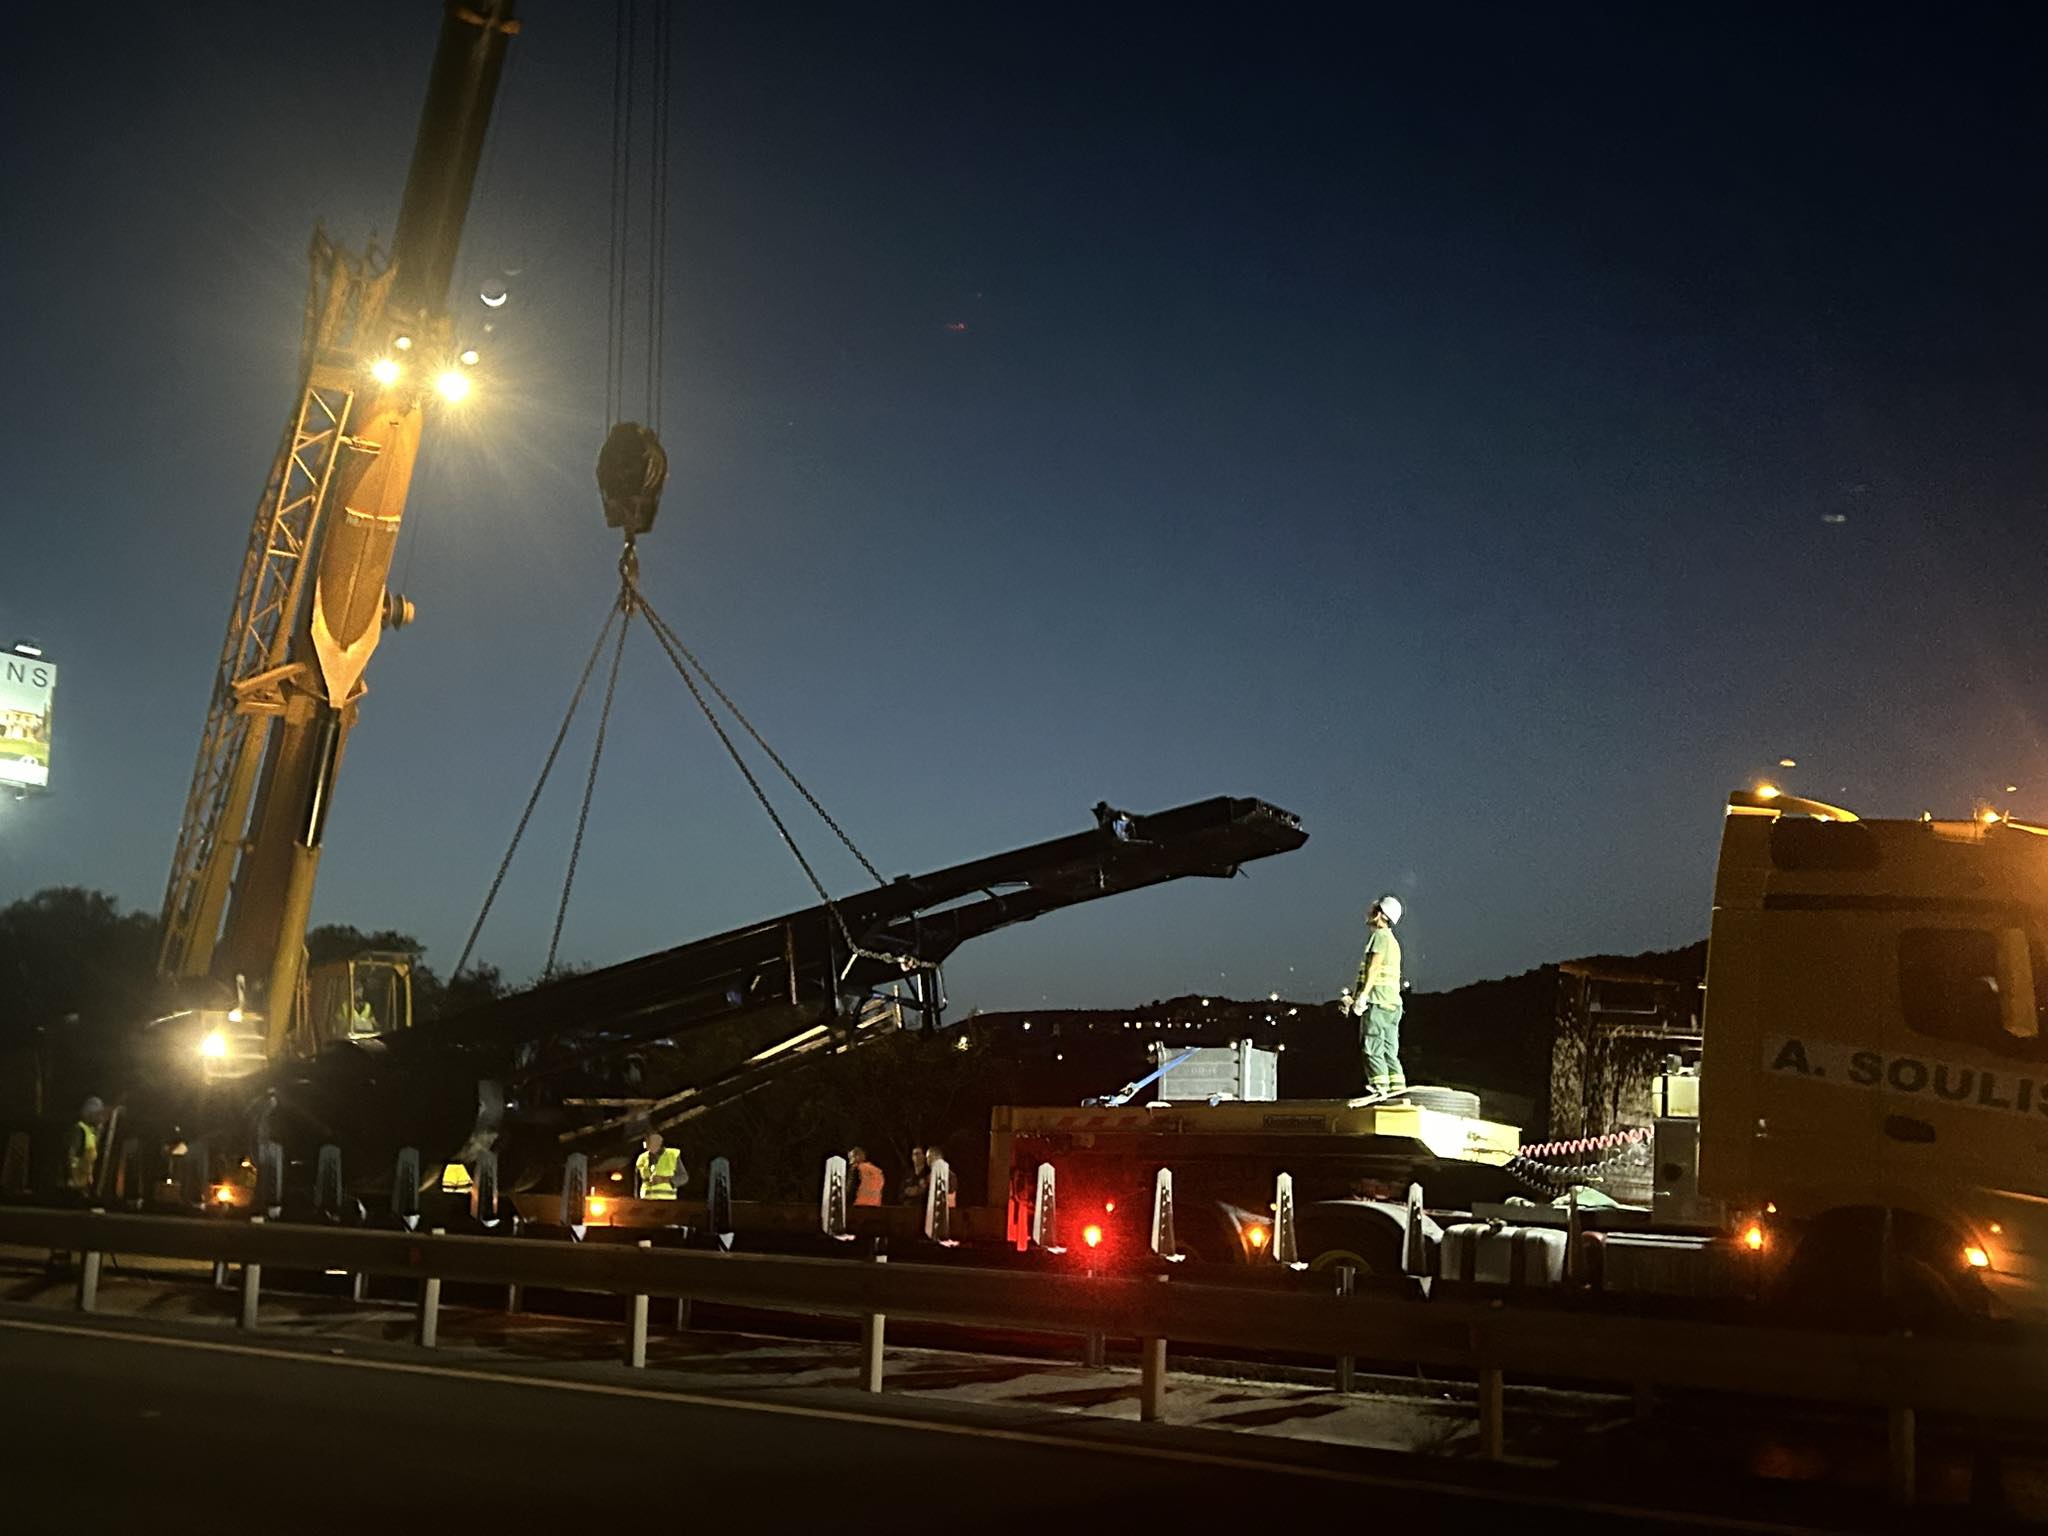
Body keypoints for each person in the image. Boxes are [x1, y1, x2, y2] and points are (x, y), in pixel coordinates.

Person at [1349, 895, 1407, 1096]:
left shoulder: (1380, 937)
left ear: (1381, 914)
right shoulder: (1393, 941)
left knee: (1372, 1046)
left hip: (1377, 1002)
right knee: (1390, 1051)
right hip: (1393, 1005)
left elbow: (1374, 967)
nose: (1369, 911)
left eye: (1374, 909)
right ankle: (1397, 1088)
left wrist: (1363, 996)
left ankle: (1379, 1085)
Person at [65, 1096, 104, 1198]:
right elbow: (72, 1155)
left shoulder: (91, 1132)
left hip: (84, 1183)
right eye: (97, 1114)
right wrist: (74, 1177)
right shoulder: (80, 1130)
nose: (100, 1118)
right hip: (76, 1184)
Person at [634, 1130, 686, 1200]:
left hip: (667, 1201)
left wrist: (664, 1179)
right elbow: (636, 1182)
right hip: (646, 1201)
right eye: (647, 1142)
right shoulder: (642, 1158)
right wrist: (636, 1200)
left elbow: (683, 1177)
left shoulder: (672, 1155)